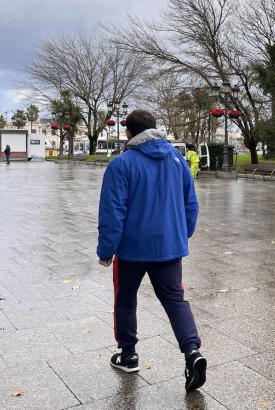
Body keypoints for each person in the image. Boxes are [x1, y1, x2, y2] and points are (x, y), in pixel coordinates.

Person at [97, 110, 206, 393]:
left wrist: (106, 249)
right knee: (175, 300)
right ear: (155, 129)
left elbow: (112, 212)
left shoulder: (121, 164)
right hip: (169, 248)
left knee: (125, 299)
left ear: (129, 133)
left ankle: (129, 354)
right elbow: (191, 204)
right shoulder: (177, 160)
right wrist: (182, 234)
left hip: (132, 250)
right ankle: (192, 352)